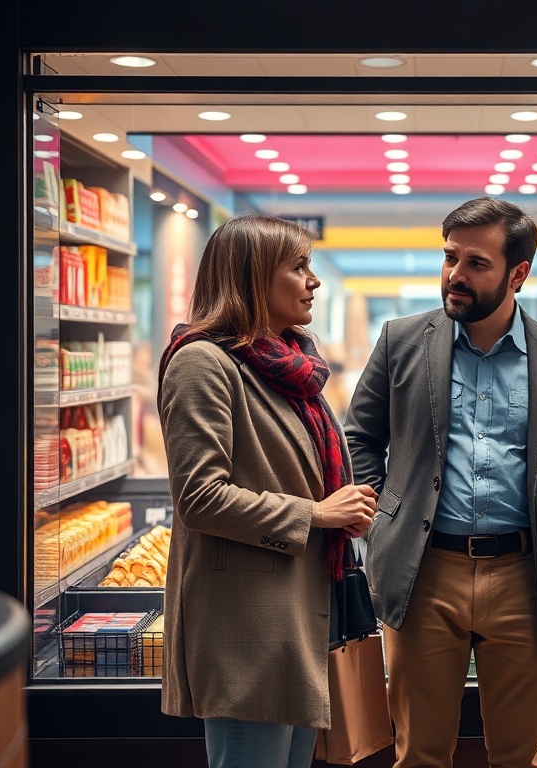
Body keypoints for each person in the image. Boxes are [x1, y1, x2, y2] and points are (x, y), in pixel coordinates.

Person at [345, 196, 537, 768]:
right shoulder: (401, 340)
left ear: (518, 273)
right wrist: (382, 515)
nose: (455, 276)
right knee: (419, 753)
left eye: (476, 264)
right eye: (449, 258)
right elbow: (358, 435)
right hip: (423, 571)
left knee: (519, 754)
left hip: (526, 575)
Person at [156, 214, 379, 768]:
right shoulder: (202, 363)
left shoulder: (291, 367)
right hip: (245, 628)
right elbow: (199, 495)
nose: (314, 281)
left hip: (297, 618)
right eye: (298, 267)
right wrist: (317, 514)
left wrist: (340, 512)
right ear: (254, 277)